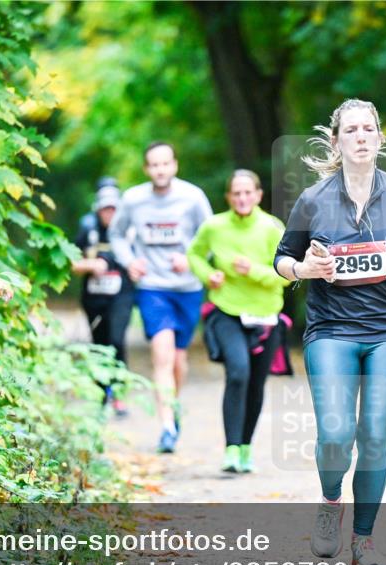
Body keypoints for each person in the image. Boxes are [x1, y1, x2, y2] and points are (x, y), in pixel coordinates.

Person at [274, 99, 386, 565]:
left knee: (372, 437)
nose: (362, 136)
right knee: (335, 435)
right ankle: (330, 503)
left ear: (380, 138)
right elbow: (283, 259)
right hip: (331, 328)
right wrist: (303, 268)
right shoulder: (313, 199)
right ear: (337, 140)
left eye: (370, 128)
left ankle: (363, 542)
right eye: (352, 130)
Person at [109, 143, 214, 453]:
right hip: (152, 287)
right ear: (146, 169)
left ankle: (174, 405)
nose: (160, 170)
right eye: (154, 165)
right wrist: (129, 261)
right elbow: (116, 235)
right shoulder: (133, 200)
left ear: (175, 166)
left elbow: (210, 236)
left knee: (179, 361)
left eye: (165, 164)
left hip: (188, 288)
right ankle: (167, 425)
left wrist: (191, 259)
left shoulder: (193, 197)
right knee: (162, 353)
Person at [187, 170, 289, 474]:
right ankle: (231, 448)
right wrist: (209, 275)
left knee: (256, 383)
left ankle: (245, 447)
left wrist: (253, 270)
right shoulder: (214, 226)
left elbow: (286, 276)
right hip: (227, 310)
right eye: (236, 193)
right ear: (229, 197)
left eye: (248, 193)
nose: (242, 198)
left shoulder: (272, 227)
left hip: (266, 316)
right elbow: (193, 254)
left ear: (258, 195)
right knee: (238, 372)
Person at [71, 185, 134, 416]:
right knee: (99, 344)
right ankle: (101, 394)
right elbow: (71, 261)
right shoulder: (88, 230)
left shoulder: (129, 231)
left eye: (113, 209)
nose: (109, 213)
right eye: (105, 209)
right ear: (98, 210)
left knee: (117, 340)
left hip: (122, 295)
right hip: (94, 297)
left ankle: (119, 393)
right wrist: (91, 265)